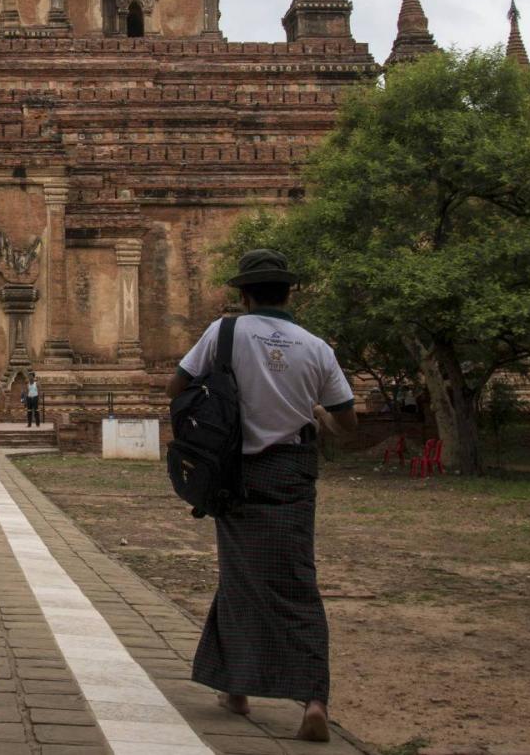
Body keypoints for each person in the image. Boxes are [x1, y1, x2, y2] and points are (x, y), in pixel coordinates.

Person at [165, 249, 357, 744]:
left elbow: (176, 384)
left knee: (239, 572)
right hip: (291, 470)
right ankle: (312, 699)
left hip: (233, 468)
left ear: (244, 293)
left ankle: (237, 689)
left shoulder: (224, 332)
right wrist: (315, 413)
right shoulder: (317, 348)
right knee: (296, 579)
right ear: (288, 293)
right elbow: (347, 420)